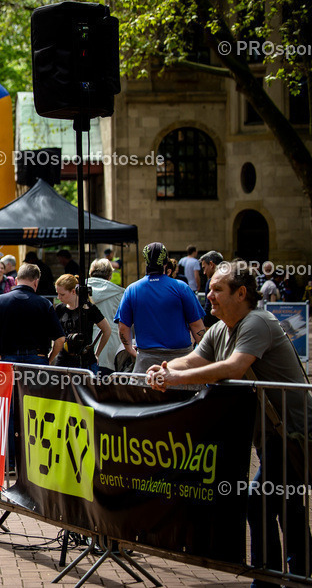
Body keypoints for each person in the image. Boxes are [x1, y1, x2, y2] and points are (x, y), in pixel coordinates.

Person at [147, 261, 312, 582]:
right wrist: (164, 369)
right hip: (270, 435)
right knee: (287, 504)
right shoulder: (222, 329)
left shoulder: (258, 322)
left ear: (241, 293)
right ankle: (300, 571)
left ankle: (268, 578)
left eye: (217, 289)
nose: (209, 295)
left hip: (293, 433)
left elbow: (234, 367)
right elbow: (195, 357)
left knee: (258, 502)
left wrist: (175, 378)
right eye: (209, 287)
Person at [115, 242, 205, 374]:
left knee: (145, 394)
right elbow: (197, 325)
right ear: (165, 262)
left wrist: (130, 349)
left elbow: (123, 327)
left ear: (146, 261)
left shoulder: (132, 290)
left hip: (146, 361)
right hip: (181, 361)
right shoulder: (181, 288)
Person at [0, 264, 65, 366]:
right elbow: (60, 339)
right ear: (36, 282)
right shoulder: (45, 304)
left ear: (16, 280)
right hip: (38, 358)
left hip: (8, 358)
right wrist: (49, 359)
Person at [53, 274, 111, 369]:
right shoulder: (59, 309)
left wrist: (97, 352)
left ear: (73, 291)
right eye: (57, 293)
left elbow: (107, 330)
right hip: (63, 360)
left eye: (62, 294)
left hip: (85, 361)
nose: (59, 297)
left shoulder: (88, 308)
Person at [87, 258, 125, 372]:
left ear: (91, 273)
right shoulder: (120, 294)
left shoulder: (79, 289)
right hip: (111, 347)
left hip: (85, 346)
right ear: (110, 276)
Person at [199, 250, 224, 326]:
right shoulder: (230, 279)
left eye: (204, 268)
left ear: (211, 264)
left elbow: (208, 309)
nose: (204, 272)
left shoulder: (211, 281)